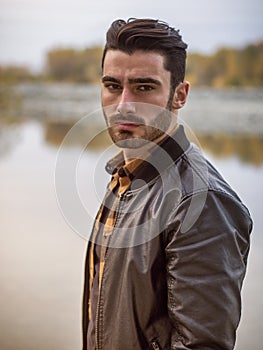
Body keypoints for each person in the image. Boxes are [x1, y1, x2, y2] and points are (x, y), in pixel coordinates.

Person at [82, 18, 252, 350]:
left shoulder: (201, 202)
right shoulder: (124, 174)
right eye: (113, 86)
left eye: (144, 87)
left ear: (179, 95)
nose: (124, 104)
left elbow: (203, 344)